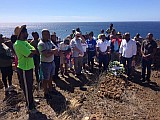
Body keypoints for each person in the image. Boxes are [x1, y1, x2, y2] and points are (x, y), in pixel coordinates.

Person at [14, 25, 37, 113]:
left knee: (30, 86)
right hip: (24, 68)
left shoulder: (25, 42)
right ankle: (30, 106)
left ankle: (31, 101)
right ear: (21, 34)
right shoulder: (18, 44)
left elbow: (34, 49)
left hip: (29, 67)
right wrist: (31, 51)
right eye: (25, 32)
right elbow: (30, 54)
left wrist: (31, 50)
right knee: (27, 87)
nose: (27, 33)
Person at [38, 29, 58, 99]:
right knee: (45, 79)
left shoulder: (49, 41)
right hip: (45, 63)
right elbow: (46, 55)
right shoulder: (41, 44)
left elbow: (56, 48)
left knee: (50, 77)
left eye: (49, 34)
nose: (49, 36)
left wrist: (50, 51)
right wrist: (52, 51)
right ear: (43, 35)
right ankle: (46, 92)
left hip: (51, 62)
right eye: (47, 34)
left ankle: (50, 89)